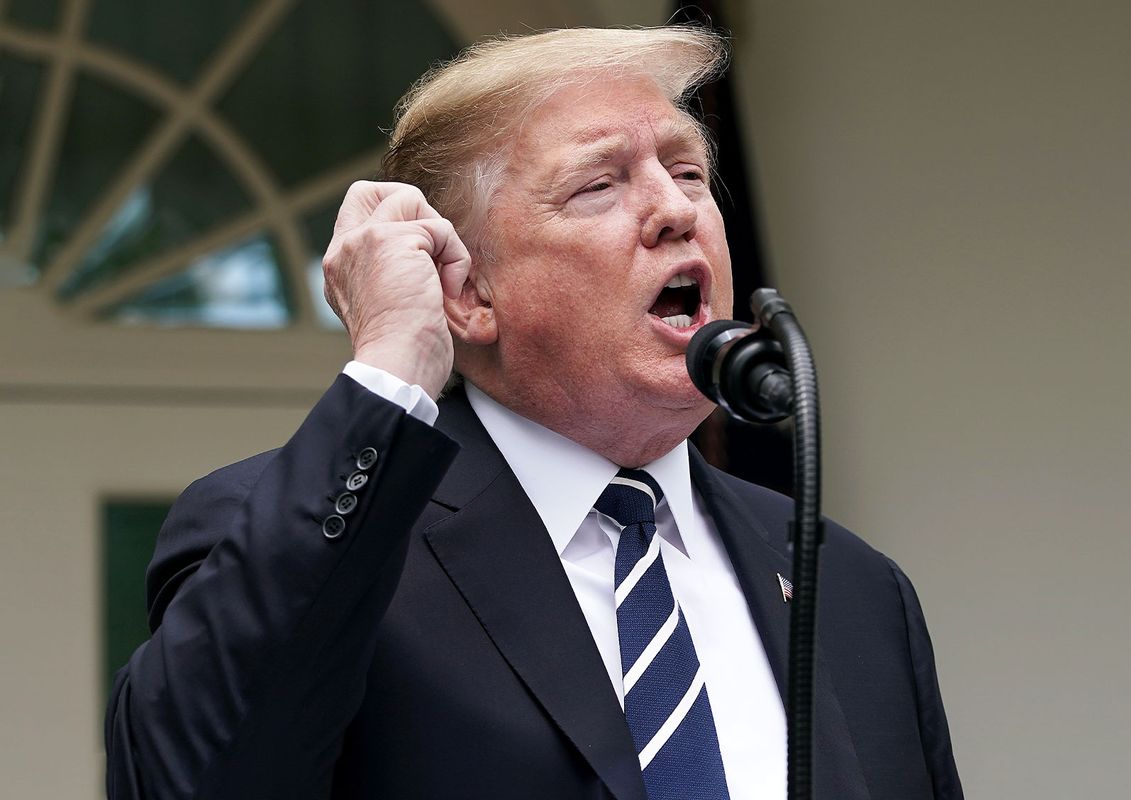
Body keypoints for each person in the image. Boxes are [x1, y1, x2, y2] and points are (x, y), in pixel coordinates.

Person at [105, 26, 963, 800]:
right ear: (470, 292)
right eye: (599, 185)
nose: (677, 209)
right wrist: (393, 366)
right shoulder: (308, 533)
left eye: (690, 171)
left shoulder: (849, 585)